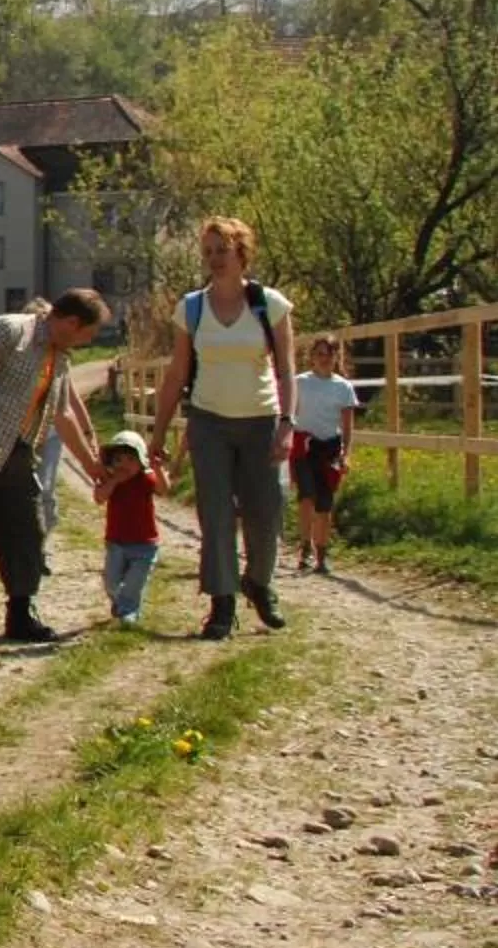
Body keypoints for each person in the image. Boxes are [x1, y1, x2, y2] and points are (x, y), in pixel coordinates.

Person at [149, 217, 298, 639]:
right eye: (209, 251)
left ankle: (259, 582)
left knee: (266, 511)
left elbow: (287, 370)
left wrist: (288, 423)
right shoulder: (192, 308)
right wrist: (158, 434)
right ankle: (222, 603)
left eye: (223, 250)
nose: (215, 259)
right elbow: (177, 374)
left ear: (241, 254)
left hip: (261, 419)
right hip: (209, 420)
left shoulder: (269, 304)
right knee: (215, 514)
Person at [0, 289, 110, 643]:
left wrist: (93, 466)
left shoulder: (59, 357)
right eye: (87, 334)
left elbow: (62, 414)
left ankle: (20, 613)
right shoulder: (11, 331)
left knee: (25, 531)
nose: (87, 342)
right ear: (72, 323)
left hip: (18, 453)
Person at [288, 335, 360, 575]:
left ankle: (321, 554)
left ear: (336, 357)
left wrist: (346, 454)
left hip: (329, 447)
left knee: (325, 504)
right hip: (304, 445)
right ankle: (305, 548)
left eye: (329, 354)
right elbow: (287, 414)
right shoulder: (300, 383)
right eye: (320, 354)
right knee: (306, 495)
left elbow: (347, 427)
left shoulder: (343, 387)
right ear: (312, 357)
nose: (324, 358)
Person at [90, 430, 165, 627]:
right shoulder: (110, 480)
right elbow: (99, 498)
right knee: (111, 582)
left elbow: (163, 490)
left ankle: (129, 610)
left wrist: (158, 469)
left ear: (141, 462)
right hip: (116, 542)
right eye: (118, 460)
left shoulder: (145, 479)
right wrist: (114, 481)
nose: (124, 465)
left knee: (135, 581)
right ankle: (122, 603)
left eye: (131, 459)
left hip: (145, 543)